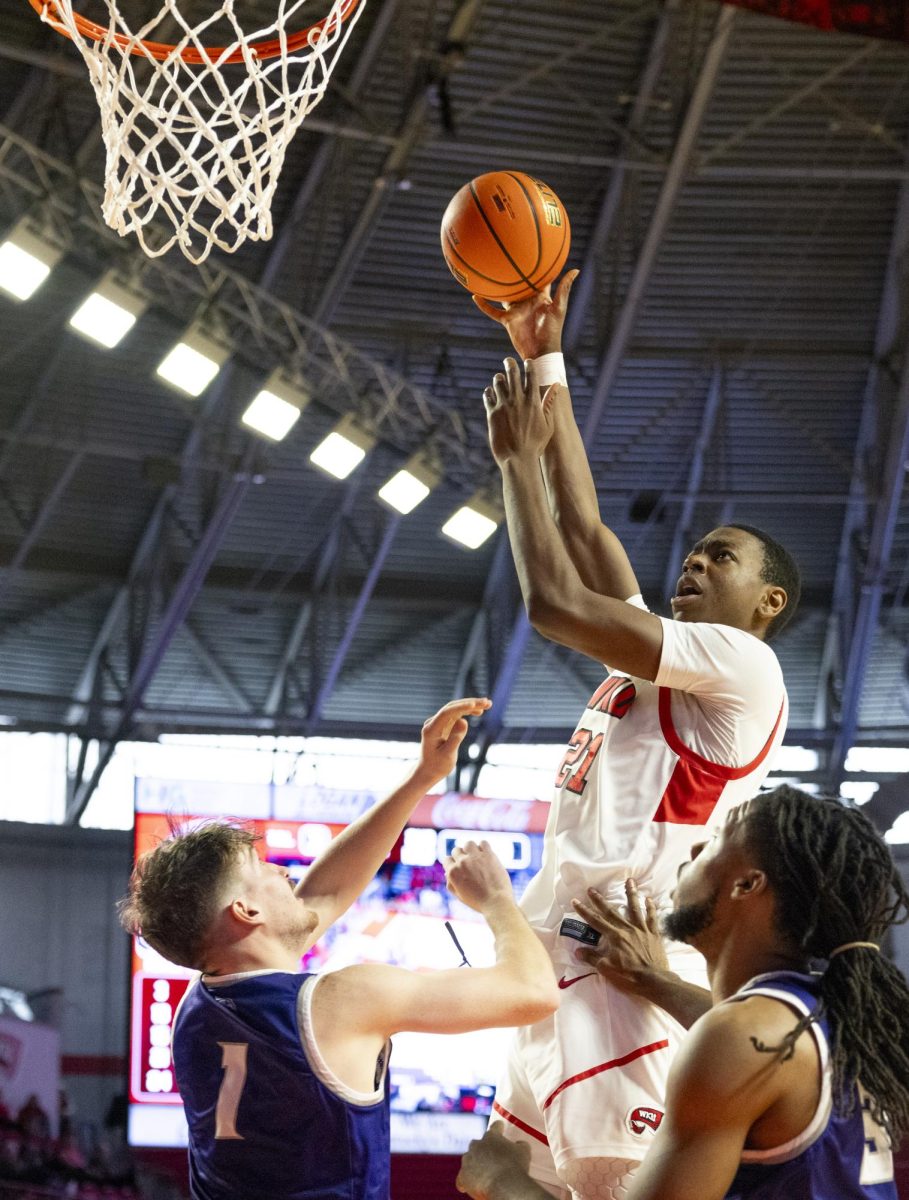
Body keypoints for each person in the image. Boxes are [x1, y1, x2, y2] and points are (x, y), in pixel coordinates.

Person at [472, 276, 801, 1198]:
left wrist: (511, 461)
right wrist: (542, 353)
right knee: (500, 1179)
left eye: (719, 558)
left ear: (766, 602)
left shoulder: (742, 668)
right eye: (692, 552)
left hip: (615, 957)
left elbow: (552, 603)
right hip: (556, 951)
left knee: (615, 1186)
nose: (693, 563)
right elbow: (582, 524)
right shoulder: (660, 665)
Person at [118, 697, 559, 1200]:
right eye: (266, 872)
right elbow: (533, 991)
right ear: (246, 913)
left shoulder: (194, 1008)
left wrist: (421, 778)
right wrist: (497, 900)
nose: (285, 874)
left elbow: (323, 895)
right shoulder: (343, 1001)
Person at [455, 785, 909, 1199]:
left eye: (715, 842)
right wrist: (657, 980)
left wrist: (501, 1181)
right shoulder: (829, 1018)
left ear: (746, 885)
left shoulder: (741, 1037)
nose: (693, 848)